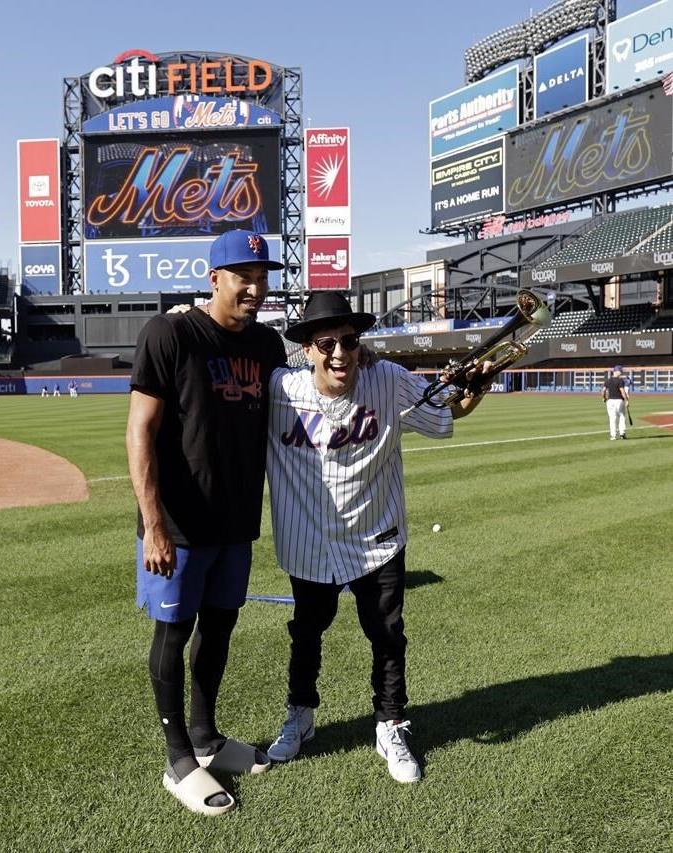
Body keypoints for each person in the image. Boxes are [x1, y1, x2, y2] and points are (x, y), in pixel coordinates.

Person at [264, 291, 494, 783]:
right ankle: (300, 715)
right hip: (309, 542)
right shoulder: (279, 390)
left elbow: (444, 415)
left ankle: (390, 723)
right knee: (307, 634)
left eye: (349, 341)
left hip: (378, 536)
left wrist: (477, 385)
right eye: (326, 343)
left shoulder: (387, 380)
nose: (339, 353)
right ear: (307, 349)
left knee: (387, 637)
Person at [125, 229, 287, 816]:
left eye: (262, 275)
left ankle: (205, 737)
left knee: (218, 629)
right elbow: (140, 430)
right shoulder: (171, 333)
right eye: (243, 275)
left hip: (235, 522)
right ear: (214, 277)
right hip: (179, 524)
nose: (254, 286)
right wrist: (155, 525)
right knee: (173, 633)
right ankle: (177, 760)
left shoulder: (268, 345)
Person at [602, 365, 630, 440]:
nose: (621, 372)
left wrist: (604, 398)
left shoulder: (608, 380)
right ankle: (622, 433)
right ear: (616, 371)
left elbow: (603, 391)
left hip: (610, 401)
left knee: (612, 418)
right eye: (620, 371)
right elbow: (622, 391)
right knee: (621, 416)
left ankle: (613, 435)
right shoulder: (620, 380)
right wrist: (627, 400)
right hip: (619, 401)